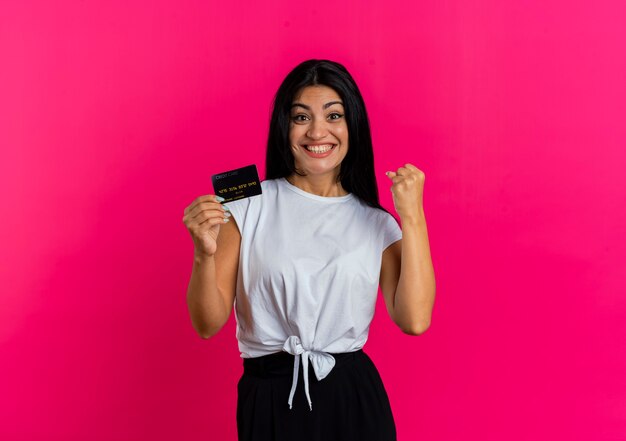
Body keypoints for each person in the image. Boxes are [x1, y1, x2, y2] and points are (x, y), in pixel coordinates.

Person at [182, 59, 436, 441]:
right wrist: (203, 255)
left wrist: (412, 216)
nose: (318, 131)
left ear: (353, 126)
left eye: (334, 115)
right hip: (269, 395)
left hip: (353, 398)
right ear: (285, 127)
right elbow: (207, 324)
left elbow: (414, 320)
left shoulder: (376, 222)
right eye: (301, 117)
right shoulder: (248, 205)